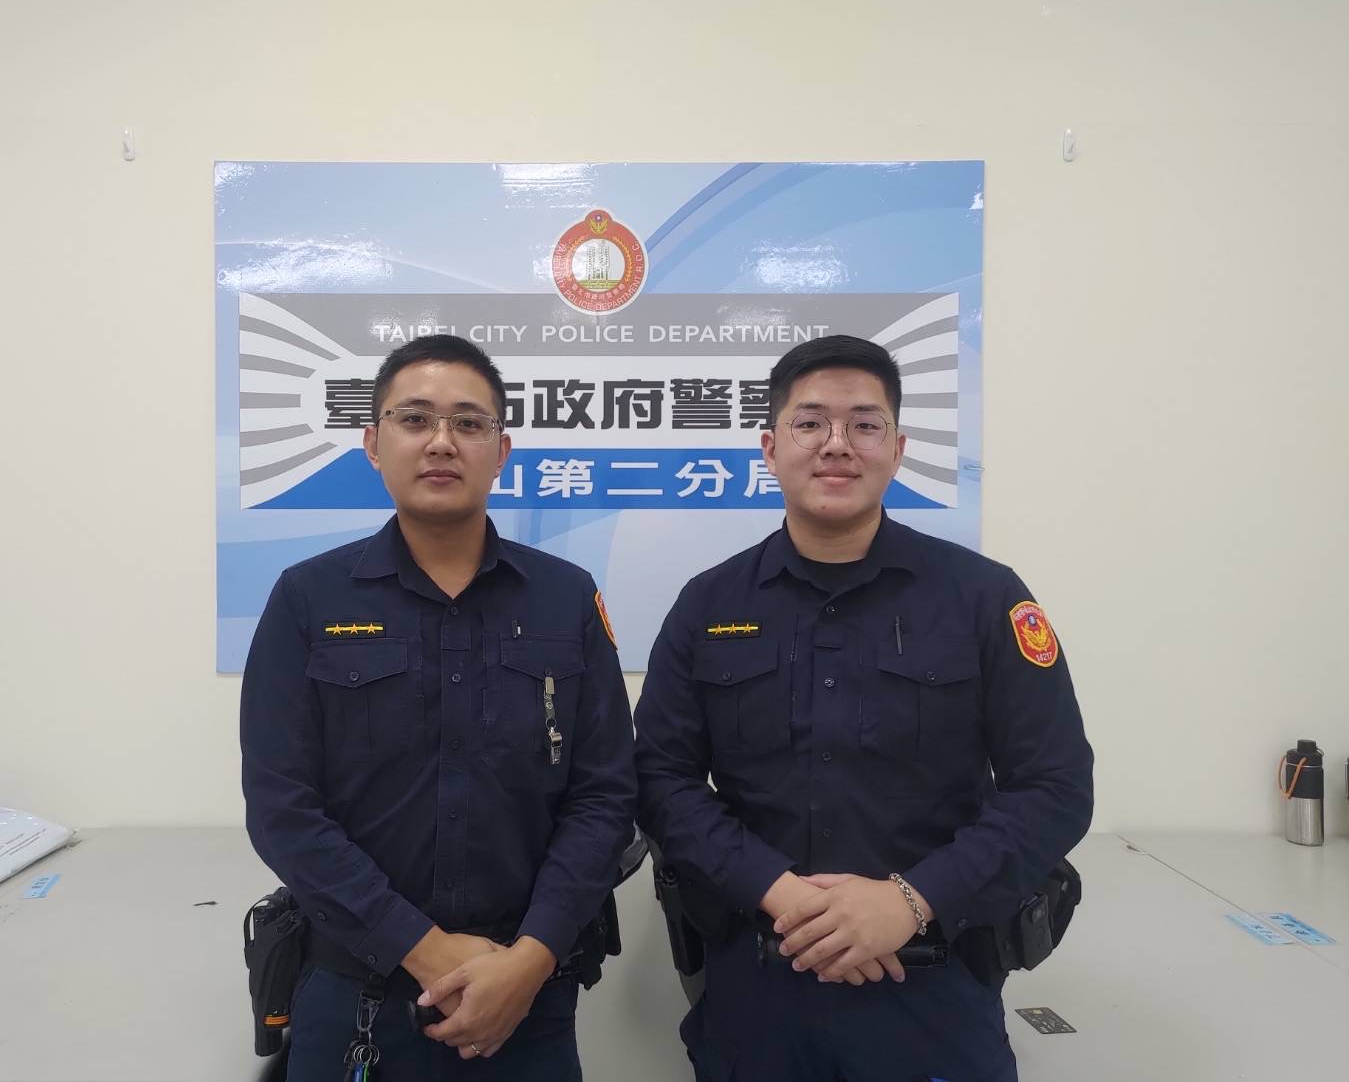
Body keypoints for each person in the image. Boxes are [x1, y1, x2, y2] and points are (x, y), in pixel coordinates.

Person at [634, 335, 1093, 1082]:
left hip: (934, 987)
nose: (836, 444)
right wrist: (780, 893)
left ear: (898, 449)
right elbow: (660, 780)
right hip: (758, 988)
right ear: (770, 447)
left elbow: (1055, 786)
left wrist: (910, 901)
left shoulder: (983, 598)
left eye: (865, 424)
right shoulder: (708, 604)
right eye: (810, 422)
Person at [241, 334, 636, 1080]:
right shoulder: (308, 598)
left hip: (526, 999)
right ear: (373, 443)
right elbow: (281, 807)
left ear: (501, 450)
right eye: (415, 419)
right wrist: (424, 950)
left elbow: (605, 795)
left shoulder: (565, 597)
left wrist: (530, 959)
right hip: (355, 993)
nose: (441, 442)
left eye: (468, 423)